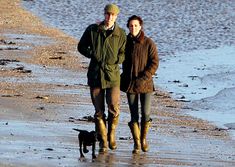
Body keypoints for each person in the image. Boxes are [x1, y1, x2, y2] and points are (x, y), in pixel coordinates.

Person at [77, 3, 126, 153]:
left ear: (116, 16)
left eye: (112, 15)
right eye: (107, 14)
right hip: (95, 75)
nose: (109, 17)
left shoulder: (121, 33)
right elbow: (81, 46)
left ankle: (111, 135)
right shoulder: (93, 30)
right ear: (104, 14)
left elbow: (124, 52)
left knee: (114, 108)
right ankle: (103, 140)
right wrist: (92, 54)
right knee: (99, 111)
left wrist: (117, 60)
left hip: (113, 77)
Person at [121, 15, 159, 154]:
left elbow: (154, 62)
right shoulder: (125, 42)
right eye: (131, 26)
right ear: (128, 27)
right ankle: (137, 144)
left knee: (146, 113)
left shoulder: (149, 43)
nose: (133, 28)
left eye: (136, 25)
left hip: (146, 84)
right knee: (133, 115)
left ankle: (143, 140)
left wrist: (144, 77)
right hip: (130, 84)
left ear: (140, 26)